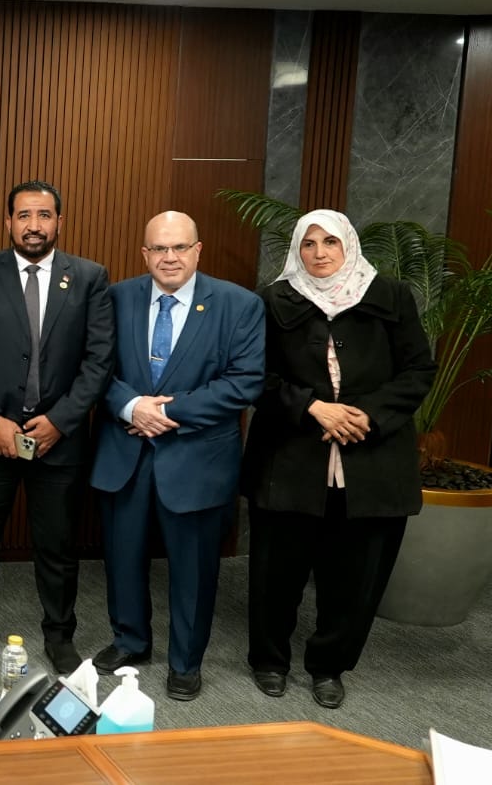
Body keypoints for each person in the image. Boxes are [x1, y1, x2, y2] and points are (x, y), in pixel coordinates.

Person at [243, 210, 435, 709]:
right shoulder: (272, 300)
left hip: (372, 460)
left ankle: (329, 666)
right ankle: (269, 660)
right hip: (289, 457)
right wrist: (313, 407)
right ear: (297, 250)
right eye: (309, 244)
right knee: (276, 570)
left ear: (348, 245)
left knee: (355, 575)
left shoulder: (390, 295)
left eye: (330, 242)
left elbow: (418, 369)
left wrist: (367, 415)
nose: (320, 252)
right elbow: (252, 375)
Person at [88, 212, 264, 701]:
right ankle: (130, 641)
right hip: (125, 452)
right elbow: (93, 368)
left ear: (197, 250)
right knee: (123, 557)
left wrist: (169, 411)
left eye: (180, 248)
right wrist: (131, 406)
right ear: (145, 254)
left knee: (194, 569)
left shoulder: (239, 304)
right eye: (159, 249)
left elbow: (245, 382)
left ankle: (186, 662)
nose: (170, 258)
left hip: (196, 459)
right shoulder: (115, 297)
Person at [0, 180, 111, 678]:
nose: (34, 225)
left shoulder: (89, 277)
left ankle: (60, 636)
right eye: (24, 216)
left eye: (44, 215)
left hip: (56, 440)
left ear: (59, 221)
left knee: (57, 547)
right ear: (8, 222)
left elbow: (99, 360)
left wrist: (61, 421)